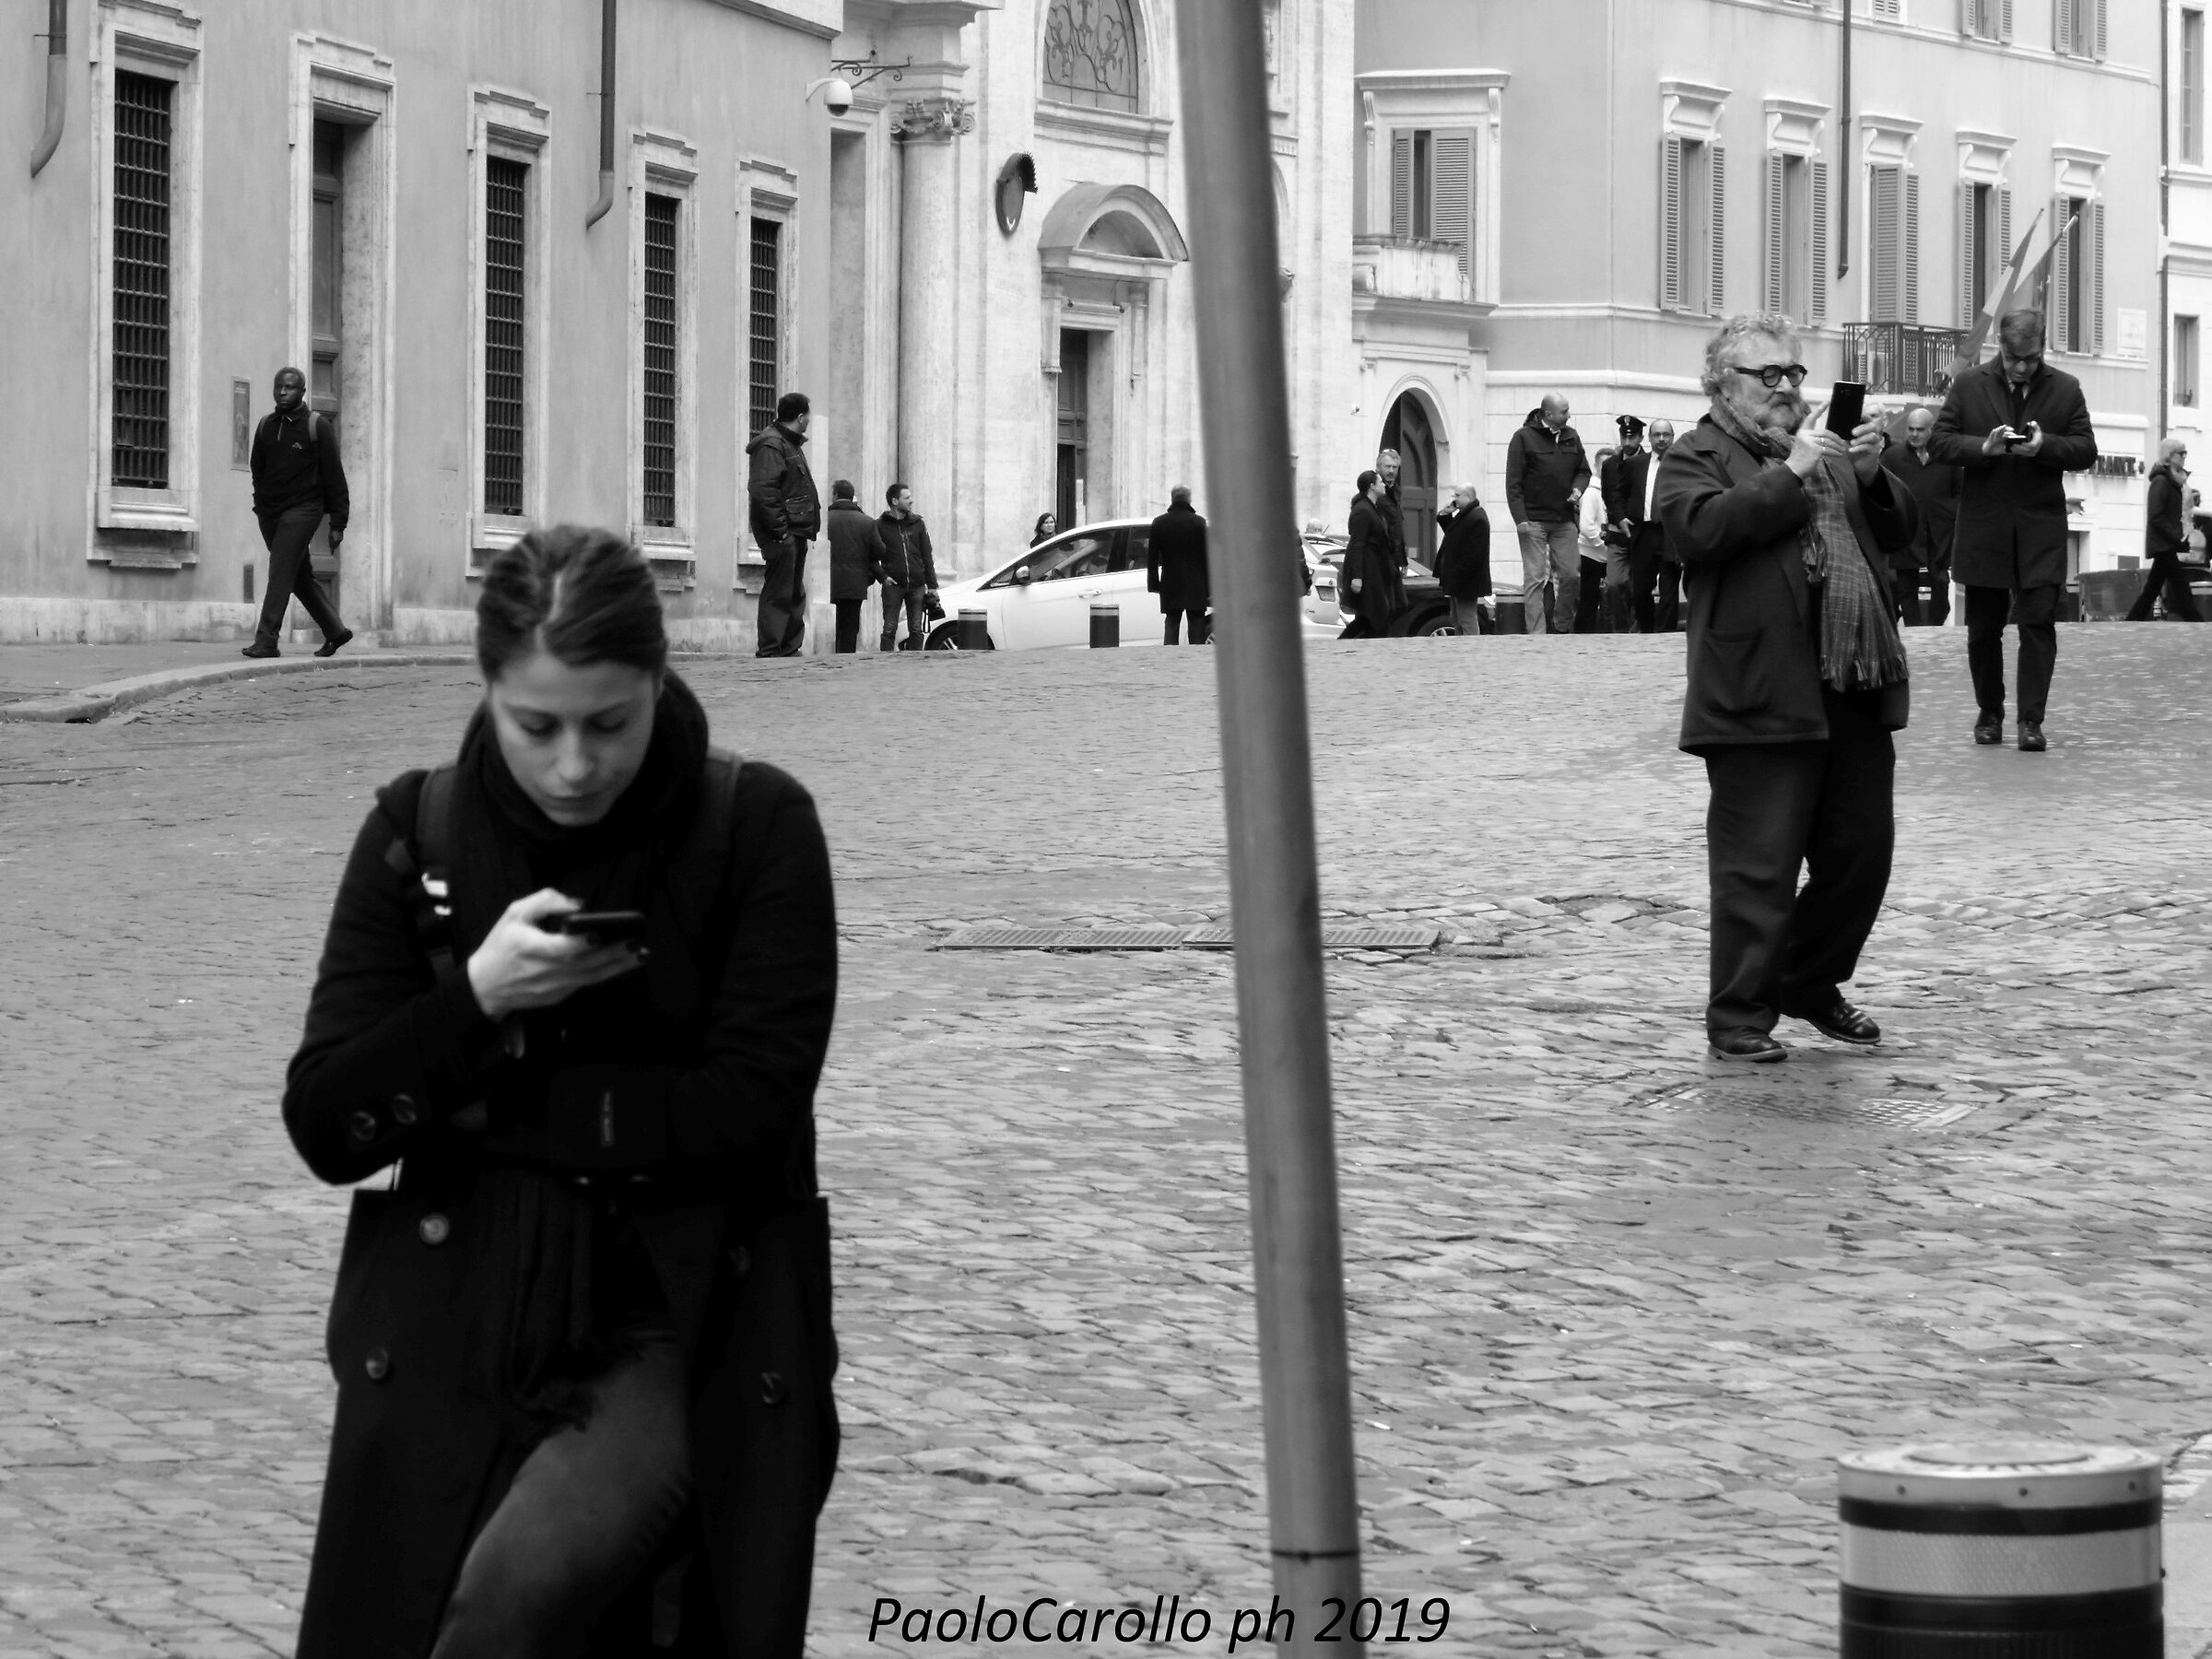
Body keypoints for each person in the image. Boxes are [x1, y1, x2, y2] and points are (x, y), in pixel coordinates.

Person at [282, 525, 840, 1657]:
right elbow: (327, 1121)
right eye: (536, 727)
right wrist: (475, 1000)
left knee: (503, 1611)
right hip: (452, 1318)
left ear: (656, 683)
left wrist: (497, 1109)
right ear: (488, 690)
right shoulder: (415, 832)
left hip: (677, 1328)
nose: (575, 765)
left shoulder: (754, 831)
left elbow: (748, 1115)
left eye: (609, 723)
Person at [1655, 313, 1918, 1065]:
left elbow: (1902, 532)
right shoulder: (1693, 455)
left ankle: (1808, 979)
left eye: (1794, 374)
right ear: (1721, 385)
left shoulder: (1829, 454)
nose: (1785, 388)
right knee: (1757, 869)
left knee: (1862, 856)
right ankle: (1739, 1013)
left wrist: (1868, 474)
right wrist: (1794, 471)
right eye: (1766, 375)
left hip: (1851, 682)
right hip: (1757, 689)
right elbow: (1700, 533)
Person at [1928, 309, 2098, 751]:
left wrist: (2047, 448)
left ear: (2044, 347)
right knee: (1983, 629)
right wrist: (1982, 448)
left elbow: (2086, 450)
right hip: (1985, 527)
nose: (2021, 366)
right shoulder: (1969, 385)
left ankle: (2031, 722)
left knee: (2038, 623)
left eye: (2031, 357)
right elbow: (1939, 442)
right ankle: (1989, 712)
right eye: (2013, 356)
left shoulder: (2065, 388)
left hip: (2040, 529)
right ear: (1999, 346)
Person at [244, 366, 353, 659]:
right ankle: (336, 631)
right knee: (298, 575)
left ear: (302, 391)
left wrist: (338, 523)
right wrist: (260, 503)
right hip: (271, 513)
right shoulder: (266, 425)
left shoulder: (316, 426)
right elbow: (258, 469)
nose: (282, 392)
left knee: (280, 570)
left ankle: (267, 640)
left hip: (304, 510)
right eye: (278, 386)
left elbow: (335, 477)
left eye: (289, 387)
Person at [1505, 394, 1591, 634]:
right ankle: (1536, 634)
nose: (1569, 415)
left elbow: (1584, 471)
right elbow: (1513, 482)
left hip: (1563, 520)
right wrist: (1520, 519)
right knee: (1534, 578)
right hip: (1532, 520)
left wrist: (1578, 488)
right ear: (1549, 415)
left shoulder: (1572, 436)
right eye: (1565, 411)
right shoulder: (1523, 438)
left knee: (1572, 574)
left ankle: (1562, 622)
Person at [746, 391, 823, 658]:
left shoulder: (789, 444)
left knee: (792, 591)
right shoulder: (772, 445)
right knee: (779, 591)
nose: (810, 421)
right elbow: (764, 491)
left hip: (795, 530)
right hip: (784, 532)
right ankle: (771, 649)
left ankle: (789, 647)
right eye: (809, 416)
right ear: (801, 417)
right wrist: (781, 532)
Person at [1890, 406, 1961, 627]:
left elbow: (1960, 491)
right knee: (1906, 585)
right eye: (1910, 429)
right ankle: (1912, 630)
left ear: (1931, 430)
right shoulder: (1893, 457)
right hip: (1906, 531)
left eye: (1920, 429)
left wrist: (1949, 511)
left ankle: (1936, 625)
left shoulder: (1947, 457)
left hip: (1939, 529)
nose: (1914, 434)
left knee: (1940, 581)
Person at [2126, 437, 2206, 622]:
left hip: (2166, 544)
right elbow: (2156, 516)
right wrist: (2177, 536)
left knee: (2152, 589)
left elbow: (2172, 509)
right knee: (2181, 588)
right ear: (2170, 456)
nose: (2185, 457)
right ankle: (2198, 625)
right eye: (2181, 453)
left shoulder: (2172, 480)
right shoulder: (2161, 481)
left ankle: (2131, 621)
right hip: (2164, 544)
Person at [1599, 417, 1654, 633]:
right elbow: (1608, 495)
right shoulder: (1609, 465)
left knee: (1638, 586)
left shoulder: (1649, 462)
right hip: (1617, 533)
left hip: (1642, 533)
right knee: (1613, 584)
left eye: (1632, 436)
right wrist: (1619, 517)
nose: (1627, 440)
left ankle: (1636, 630)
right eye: (1624, 435)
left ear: (1641, 437)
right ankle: (1621, 630)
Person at [825, 479, 887, 653]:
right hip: (855, 582)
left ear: (835, 495)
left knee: (833, 623)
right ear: (852, 497)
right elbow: (880, 551)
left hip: (829, 581)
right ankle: (847, 656)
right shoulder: (866, 521)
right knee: (850, 625)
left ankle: (832, 654)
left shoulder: (825, 520)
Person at [1339, 471, 1402, 640]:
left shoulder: (1375, 508)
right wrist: (1357, 576)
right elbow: (1357, 544)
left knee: (1374, 615)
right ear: (1372, 486)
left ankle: (1353, 643)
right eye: (1380, 481)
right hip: (1367, 569)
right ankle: (1345, 642)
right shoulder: (1362, 510)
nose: (1383, 484)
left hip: (1378, 567)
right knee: (1376, 612)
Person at [877, 483, 939, 652]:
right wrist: (883, 577)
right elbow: (871, 556)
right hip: (893, 585)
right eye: (907, 498)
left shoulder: (918, 523)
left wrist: (932, 585)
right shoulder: (880, 525)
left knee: (916, 628)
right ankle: (885, 664)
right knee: (889, 628)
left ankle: (915, 665)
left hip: (917, 584)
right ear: (895, 501)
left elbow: (927, 555)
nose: (911, 501)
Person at [1147, 485, 1211, 644]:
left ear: (1172, 498)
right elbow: (1208, 557)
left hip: (1171, 582)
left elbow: (1152, 558)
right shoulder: (1199, 523)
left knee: (1172, 622)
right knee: (1196, 624)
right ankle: (1194, 659)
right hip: (1196, 583)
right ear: (1189, 499)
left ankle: (1170, 658)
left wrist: (1154, 584)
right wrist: (1210, 587)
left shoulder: (1159, 523)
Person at [1431, 484, 1493, 634]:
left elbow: (1474, 555)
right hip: (1457, 579)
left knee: (1466, 619)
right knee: (1457, 619)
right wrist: (1445, 514)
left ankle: (1471, 650)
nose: (1455, 499)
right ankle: (1460, 649)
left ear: (1469, 497)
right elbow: (1452, 535)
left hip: (1466, 580)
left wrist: (1458, 575)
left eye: (1458, 496)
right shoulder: (1465, 515)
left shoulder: (1477, 517)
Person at [1577, 445, 1618, 632]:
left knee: (1608, 600)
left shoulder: (1613, 489)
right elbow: (1586, 526)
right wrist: (1602, 545)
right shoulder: (1592, 492)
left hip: (1605, 554)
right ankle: (1583, 634)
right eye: (1604, 465)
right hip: (1591, 554)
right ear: (1596, 466)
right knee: (1589, 599)